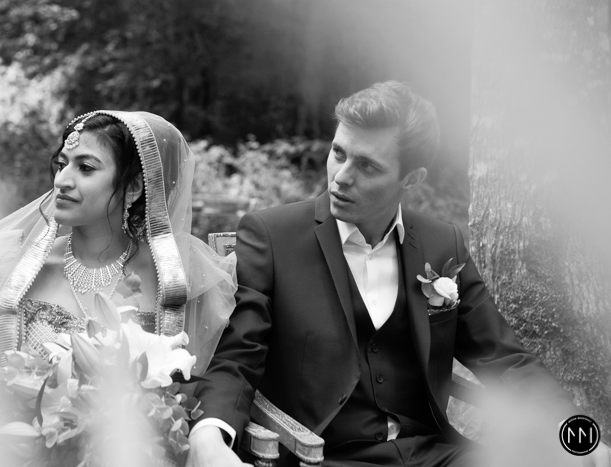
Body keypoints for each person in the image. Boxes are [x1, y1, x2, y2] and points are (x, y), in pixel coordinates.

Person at [188, 81, 611, 467]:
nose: (341, 178)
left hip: (434, 454)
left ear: (412, 179)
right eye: (339, 153)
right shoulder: (272, 236)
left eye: (368, 167)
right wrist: (208, 435)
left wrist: (579, 439)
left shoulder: (442, 245)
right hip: (320, 456)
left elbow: (503, 359)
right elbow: (237, 357)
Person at [0, 110, 236, 377]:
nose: (62, 181)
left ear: (133, 186)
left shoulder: (177, 274)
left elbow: (201, 383)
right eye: (62, 165)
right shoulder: (12, 266)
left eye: (85, 168)